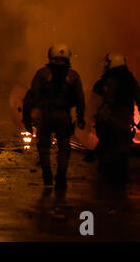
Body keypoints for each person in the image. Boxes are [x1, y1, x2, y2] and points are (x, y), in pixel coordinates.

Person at [23, 44, 86, 190]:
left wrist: (27, 119)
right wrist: (80, 117)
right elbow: (80, 99)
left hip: (45, 115)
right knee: (64, 147)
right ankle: (61, 177)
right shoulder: (73, 76)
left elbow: (30, 98)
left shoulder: (42, 74)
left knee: (44, 147)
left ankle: (47, 178)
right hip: (63, 115)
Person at [92, 53, 140, 186]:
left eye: (108, 63)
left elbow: (97, 98)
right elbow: (139, 99)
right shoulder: (130, 79)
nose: (106, 66)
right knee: (122, 147)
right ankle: (121, 178)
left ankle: (106, 178)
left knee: (107, 145)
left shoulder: (107, 80)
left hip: (110, 116)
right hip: (125, 117)